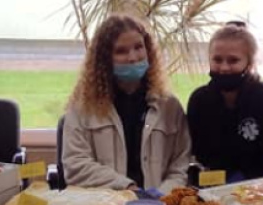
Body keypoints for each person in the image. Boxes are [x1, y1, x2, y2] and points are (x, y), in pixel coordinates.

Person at [62, 14, 189, 193]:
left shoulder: (170, 107)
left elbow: (180, 165)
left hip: (159, 204)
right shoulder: (83, 108)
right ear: (105, 59)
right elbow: (76, 165)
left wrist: (162, 197)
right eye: (121, 51)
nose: (133, 57)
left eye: (138, 47)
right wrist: (126, 187)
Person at [186, 22, 263, 182]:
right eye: (217, 60)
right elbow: (193, 157)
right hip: (212, 189)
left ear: (249, 64)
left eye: (233, 60)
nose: (224, 67)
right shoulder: (199, 102)